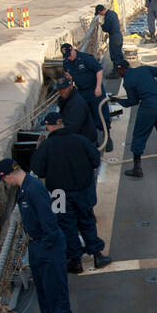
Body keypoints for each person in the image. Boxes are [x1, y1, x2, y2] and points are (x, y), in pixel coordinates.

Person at [0, 158, 75, 313]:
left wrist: (46, 246)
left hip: (47, 246)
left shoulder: (33, 190)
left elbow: (48, 221)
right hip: (37, 245)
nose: (5, 183)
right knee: (42, 288)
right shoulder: (24, 189)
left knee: (55, 287)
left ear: (7, 175)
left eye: (4, 180)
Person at [30, 111, 112, 273]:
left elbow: (39, 170)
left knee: (66, 225)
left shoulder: (46, 146)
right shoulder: (81, 141)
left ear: (49, 126)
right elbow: (95, 161)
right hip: (82, 190)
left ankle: (75, 260)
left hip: (58, 193)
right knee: (87, 219)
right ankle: (97, 255)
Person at [116, 64, 157, 177]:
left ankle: (137, 168)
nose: (119, 75)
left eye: (118, 72)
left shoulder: (127, 81)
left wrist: (118, 100)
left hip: (148, 106)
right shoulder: (143, 68)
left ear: (122, 70)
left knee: (139, 134)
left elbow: (133, 102)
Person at [61, 43, 111, 152]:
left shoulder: (85, 58)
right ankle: (93, 140)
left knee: (101, 113)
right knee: (88, 117)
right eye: (67, 56)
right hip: (82, 91)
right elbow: (68, 75)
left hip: (93, 89)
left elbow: (99, 70)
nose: (69, 57)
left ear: (73, 50)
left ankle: (108, 137)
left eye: (70, 55)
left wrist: (98, 87)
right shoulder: (66, 63)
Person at [55, 76, 96, 146]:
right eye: (60, 89)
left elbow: (72, 128)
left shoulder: (76, 103)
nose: (62, 91)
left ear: (71, 86)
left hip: (85, 143)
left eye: (64, 88)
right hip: (78, 138)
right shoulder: (66, 99)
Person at [95, 2, 126, 76]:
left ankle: (116, 72)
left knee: (114, 55)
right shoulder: (113, 13)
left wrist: (101, 24)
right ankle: (122, 69)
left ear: (100, 11)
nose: (100, 15)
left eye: (99, 13)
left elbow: (106, 28)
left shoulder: (108, 16)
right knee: (119, 54)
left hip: (114, 37)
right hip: (119, 35)